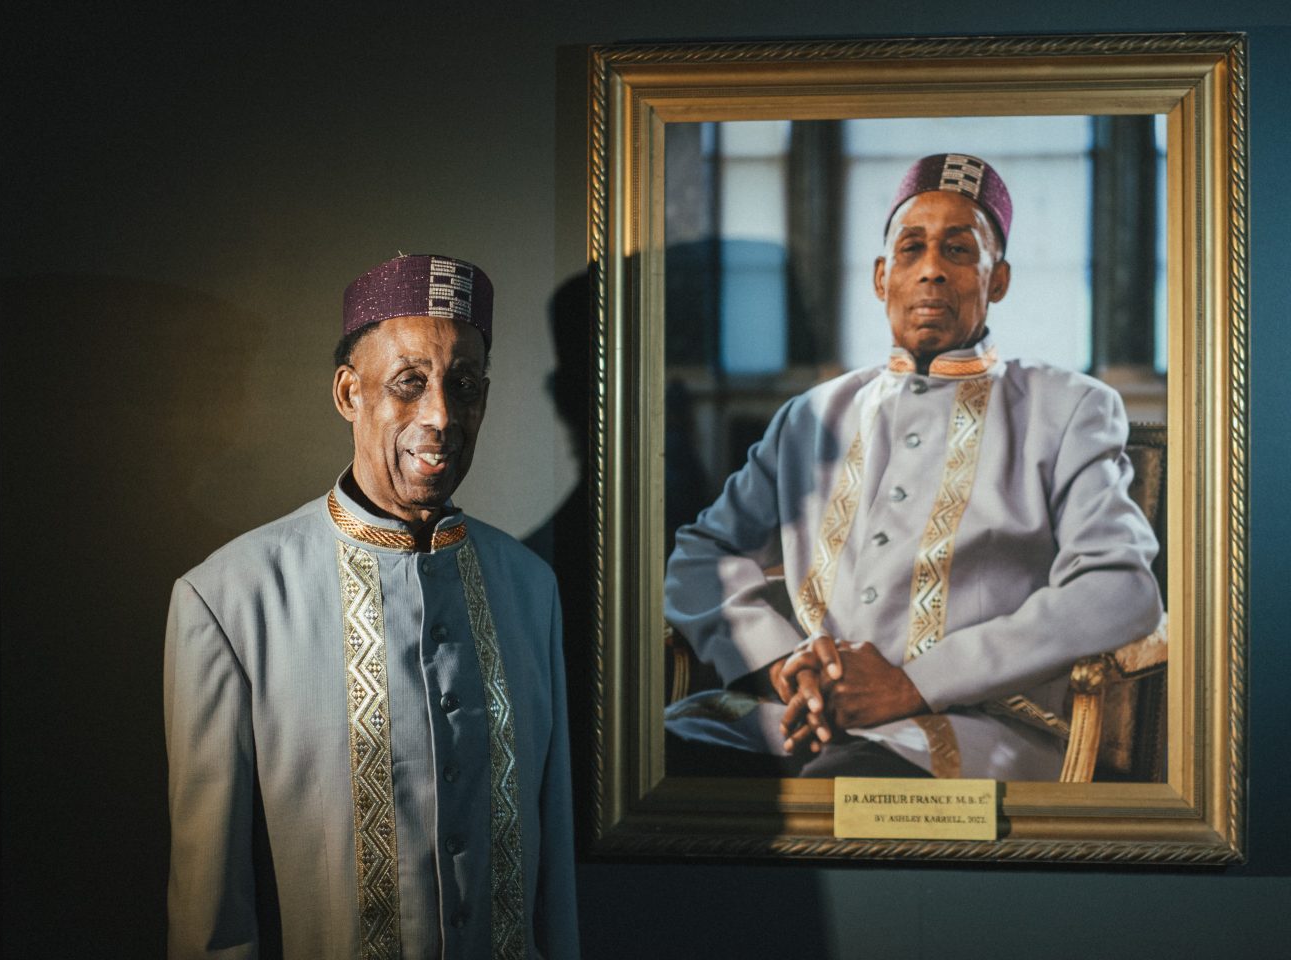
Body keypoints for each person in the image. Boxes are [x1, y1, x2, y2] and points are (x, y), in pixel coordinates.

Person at [664, 154, 1163, 781]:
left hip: (974, 731)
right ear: (881, 277)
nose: (931, 271)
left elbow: (1120, 590)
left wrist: (916, 684)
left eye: (959, 251)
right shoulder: (812, 416)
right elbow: (701, 555)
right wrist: (782, 663)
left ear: (998, 279)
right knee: (649, 758)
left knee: (839, 788)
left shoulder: (1068, 409)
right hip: (800, 719)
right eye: (911, 250)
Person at [165, 254, 579, 958]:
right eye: (409, 384)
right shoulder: (229, 601)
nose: (442, 416)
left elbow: (554, 891)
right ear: (349, 393)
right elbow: (211, 921)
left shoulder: (529, 588)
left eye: (465, 385)